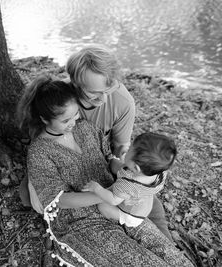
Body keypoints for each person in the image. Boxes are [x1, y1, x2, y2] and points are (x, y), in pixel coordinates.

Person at [17, 75, 193, 266]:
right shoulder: (39, 152)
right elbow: (58, 200)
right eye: (65, 120)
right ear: (44, 119)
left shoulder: (87, 129)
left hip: (122, 207)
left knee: (174, 258)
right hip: (81, 220)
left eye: (76, 114)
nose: (74, 122)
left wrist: (131, 180)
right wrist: (108, 194)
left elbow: (109, 160)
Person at [65, 43, 172, 240]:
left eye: (109, 88)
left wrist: (124, 160)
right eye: (95, 93)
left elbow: (121, 146)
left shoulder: (123, 102)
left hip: (103, 163)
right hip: (69, 160)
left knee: (148, 203)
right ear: (75, 83)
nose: (104, 99)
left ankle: (166, 242)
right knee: (30, 197)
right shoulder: (61, 99)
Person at [83, 132, 177, 228]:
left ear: (136, 168)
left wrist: (97, 188)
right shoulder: (159, 174)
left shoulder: (126, 184)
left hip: (131, 215)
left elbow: (113, 200)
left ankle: (119, 222)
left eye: (129, 150)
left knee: (102, 206)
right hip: (144, 207)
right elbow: (124, 166)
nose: (127, 150)